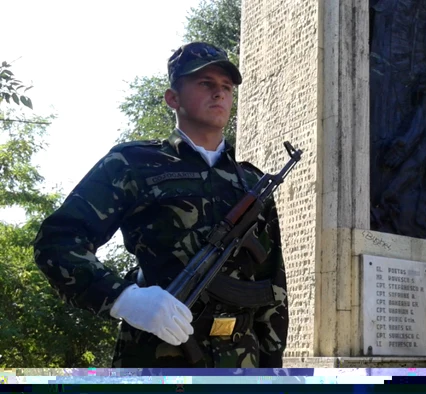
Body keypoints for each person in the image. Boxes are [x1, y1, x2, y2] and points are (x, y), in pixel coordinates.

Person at [32, 42, 288, 368]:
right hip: (156, 358)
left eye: (226, 87)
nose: (219, 94)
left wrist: (273, 369)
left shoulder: (251, 183)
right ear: (173, 98)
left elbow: (271, 287)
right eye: (205, 83)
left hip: (242, 362)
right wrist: (123, 299)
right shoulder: (133, 164)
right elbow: (57, 242)